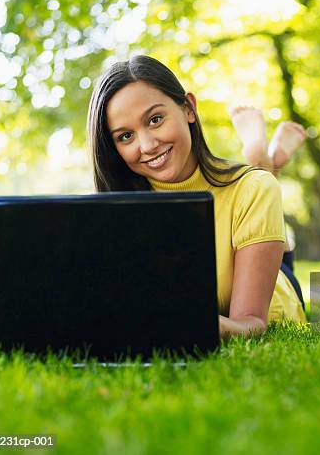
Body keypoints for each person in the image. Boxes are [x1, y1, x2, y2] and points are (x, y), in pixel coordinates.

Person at [87, 55, 306, 340]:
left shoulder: (253, 190)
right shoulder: (114, 210)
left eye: (155, 120)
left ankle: (262, 161)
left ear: (188, 108)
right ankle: (269, 158)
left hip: (275, 291)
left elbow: (250, 323)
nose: (148, 145)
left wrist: (188, 322)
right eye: (125, 136)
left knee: (261, 187)